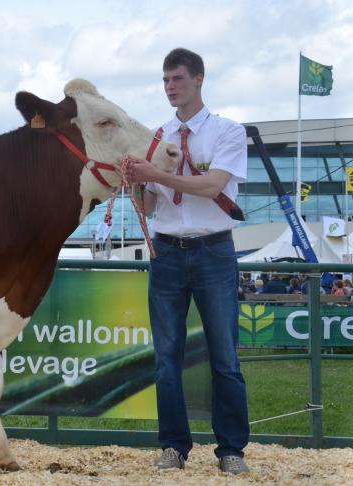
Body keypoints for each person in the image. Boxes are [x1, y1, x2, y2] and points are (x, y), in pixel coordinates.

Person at [125, 47, 250, 474]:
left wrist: (155, 174)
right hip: (167, 251)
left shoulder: (228, 132)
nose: (170, 88)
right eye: (165, 81)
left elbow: (213, 184)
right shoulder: (155, 137)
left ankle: (232, 450)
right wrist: (133, 183)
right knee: (166, 357)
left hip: (214, 249)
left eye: (177, 79)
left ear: (198, 79)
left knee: (225, 357)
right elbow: (147, 204)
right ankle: (173, 447)